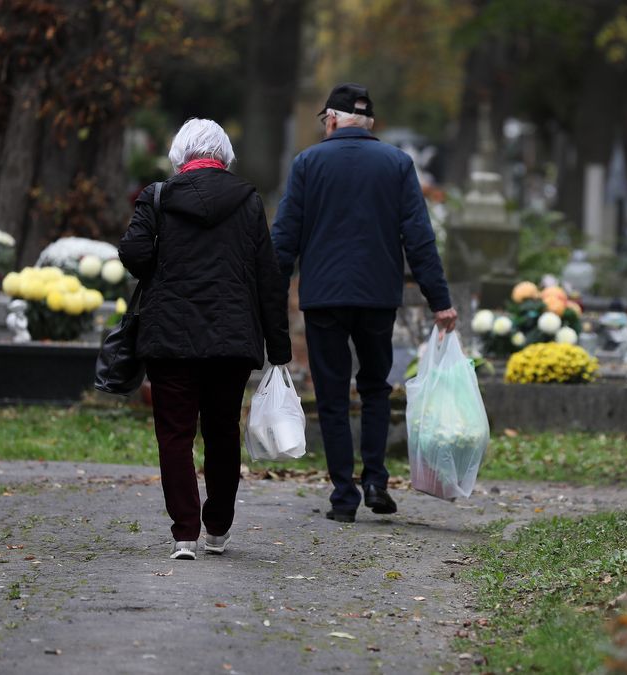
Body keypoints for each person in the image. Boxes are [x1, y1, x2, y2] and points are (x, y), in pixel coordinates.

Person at [271, 83, 456, 523]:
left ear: (332, 120)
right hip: (376, 297)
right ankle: (375, 478)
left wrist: (272, 298)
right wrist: (440, 300)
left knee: (333, 395)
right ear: (368, 123)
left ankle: (343, 496)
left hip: (323, 298)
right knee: (375, 387)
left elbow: (284, 238)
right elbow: (419, 237)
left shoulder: (308, 163)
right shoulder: (396, 164)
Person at [119, 119, 291, 560]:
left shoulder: (156, 198)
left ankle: (184, 534)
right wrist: (279, 347)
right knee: (220, 431)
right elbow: (268, 277)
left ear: (180, 155)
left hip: (170, 337)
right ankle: (217, 528)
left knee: (174, 433)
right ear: (224, 157)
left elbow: (134, 255)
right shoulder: (248, 201)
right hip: (231, 339)